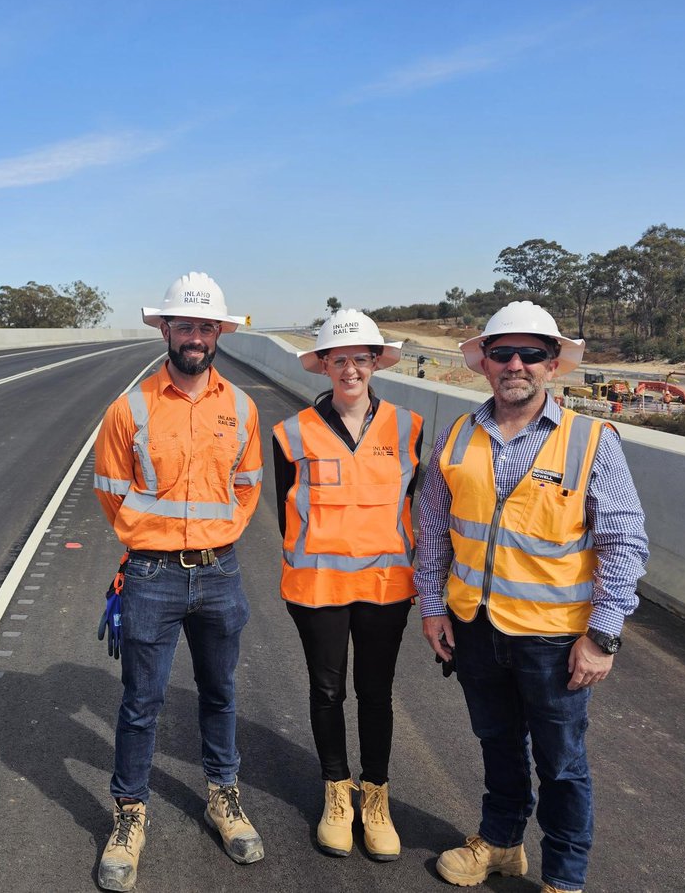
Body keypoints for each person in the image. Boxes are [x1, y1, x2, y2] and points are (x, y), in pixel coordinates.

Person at [415, 301, 649, 893]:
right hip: (476, 626)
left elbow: (624, 541)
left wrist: (602, 635)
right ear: (485, 363)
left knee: (561, 762)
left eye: (531, 353)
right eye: (502, 353)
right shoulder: (457, 436)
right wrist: (434, 607)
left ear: (552, 364)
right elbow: (434, 530)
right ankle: (501, 844)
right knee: (497, 744)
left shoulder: (591, 440)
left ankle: (565, 878)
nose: (515, 364)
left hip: (554, 639)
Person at [92, 271, 265, 892]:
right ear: (166, 329)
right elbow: (111, 491)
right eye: (185, 325)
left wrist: (214, 538)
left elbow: (247, 488)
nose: (195, 337)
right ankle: (129, 814)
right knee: (142, 703)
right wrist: (152, 539)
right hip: (151, 575)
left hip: (219, 572)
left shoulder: (241, 407)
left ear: (220, 333)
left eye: (205, 327)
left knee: (220, 694)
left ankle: (223, 796)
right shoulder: (130, 408)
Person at [272, 309, 423, 861]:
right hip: (318, 590)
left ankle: (375, 796)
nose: (351, 369)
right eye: (340, 360)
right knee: (327, 692)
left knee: (376, 693)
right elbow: (286, 514)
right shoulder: (291, 433)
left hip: (385, 589)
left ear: (376, 362)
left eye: (361, 358)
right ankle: (337, 793)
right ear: (324, 366)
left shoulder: (408, 427)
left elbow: (416, 506)